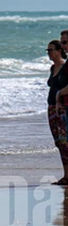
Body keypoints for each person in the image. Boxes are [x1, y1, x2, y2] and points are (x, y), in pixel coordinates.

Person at [49, 40, 68, 184]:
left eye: (51, 50)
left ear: (59, 51)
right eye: (47, 50)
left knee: (64, 141)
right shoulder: (52, 67)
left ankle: (67, 175)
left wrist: (59, 99)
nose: (49, 53)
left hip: (61, 107)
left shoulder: (64, 67)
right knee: (58, 142)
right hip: (51, 107)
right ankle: (66, 174)